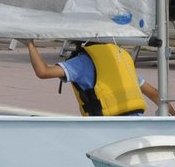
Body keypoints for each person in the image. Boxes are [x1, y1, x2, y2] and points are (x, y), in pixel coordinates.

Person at [25, 40, 164, 116]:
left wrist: (30, 44)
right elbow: (155, 94)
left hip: (106, 127)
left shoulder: (81, 62)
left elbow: (43, 72)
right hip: (137, 122)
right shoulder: (119, 58)